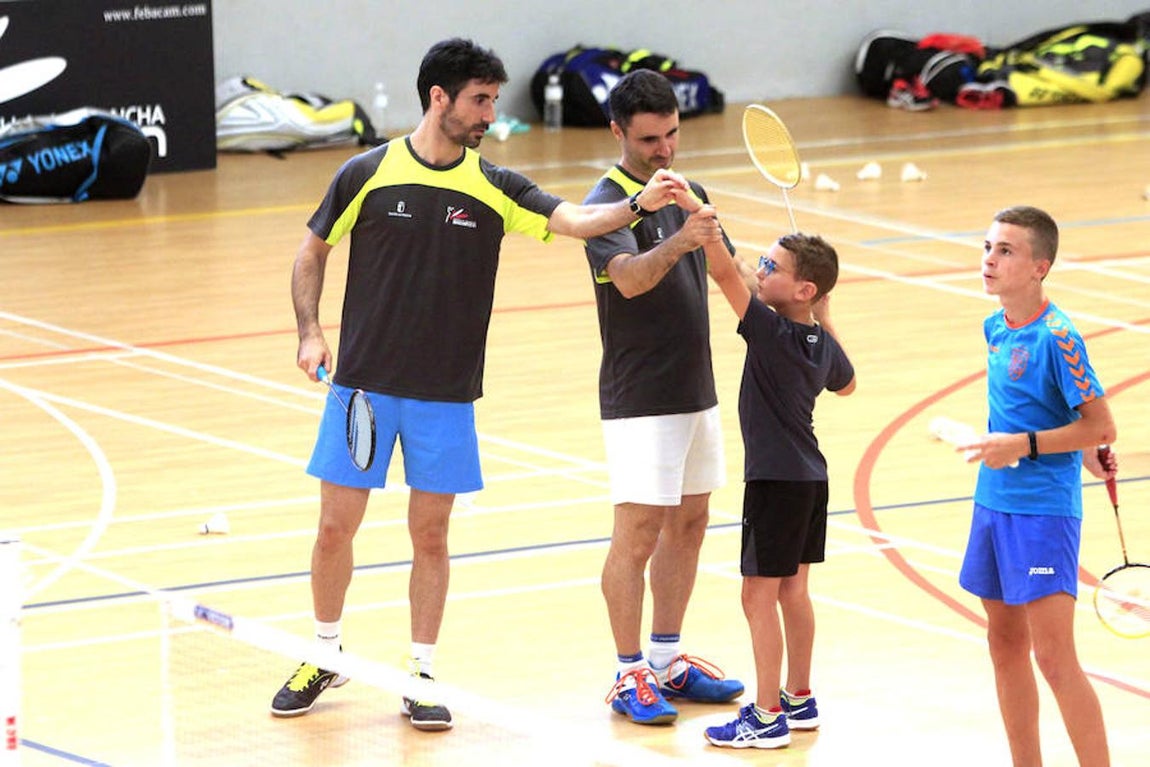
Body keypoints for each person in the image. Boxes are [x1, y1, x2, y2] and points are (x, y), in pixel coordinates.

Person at [270, 38, 688, 732]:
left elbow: (577, 221)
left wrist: (637, 207)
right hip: (365, 389)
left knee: (430, 536)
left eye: (493, 99)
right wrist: (310, 330)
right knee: (333, 528)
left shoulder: (495, 185)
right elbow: (313, 248)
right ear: (440, 98)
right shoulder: (366, 172)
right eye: (480, 100)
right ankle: (324, 651)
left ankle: (421, 671)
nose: (491, 113)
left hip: (446, 394)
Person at [583, 69, 756, 726]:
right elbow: (625, 279)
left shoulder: (692, 191)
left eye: (672, 135)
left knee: (691, 522)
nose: (665, 151)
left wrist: (776, 330)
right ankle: (628, 671)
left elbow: (727, 271)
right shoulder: (606, 205)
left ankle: (666, 657)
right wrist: (681, 235)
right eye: (651, 139)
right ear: (619, 132)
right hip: (640, 397)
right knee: (637, 533)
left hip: (696, 389)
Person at [957, 205, 1117, 766]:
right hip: (992, 504)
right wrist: (1082, 450)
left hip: (1044, 514)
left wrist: (1022, 445)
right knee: (1003, 645)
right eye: (987, 247)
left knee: (1054, 659)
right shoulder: (996, 326)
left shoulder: (1060, 338)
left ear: (1039, 267)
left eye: (1006, 251)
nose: (990, 260)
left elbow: (1101, 424)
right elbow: (1075, 429)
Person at [698, 231, 856, 749]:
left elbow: (725, 274)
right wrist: (825, 317)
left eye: (773, 266)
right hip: (811, 479)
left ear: (804, 289)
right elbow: (847, 384)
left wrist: (702, 228)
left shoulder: (770, 332)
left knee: (757, 596)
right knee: (794, 591)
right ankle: (799, 697)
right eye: (763, 261)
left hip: (776, 481)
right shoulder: (816, 341)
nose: (762, 271)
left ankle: (766, 716)